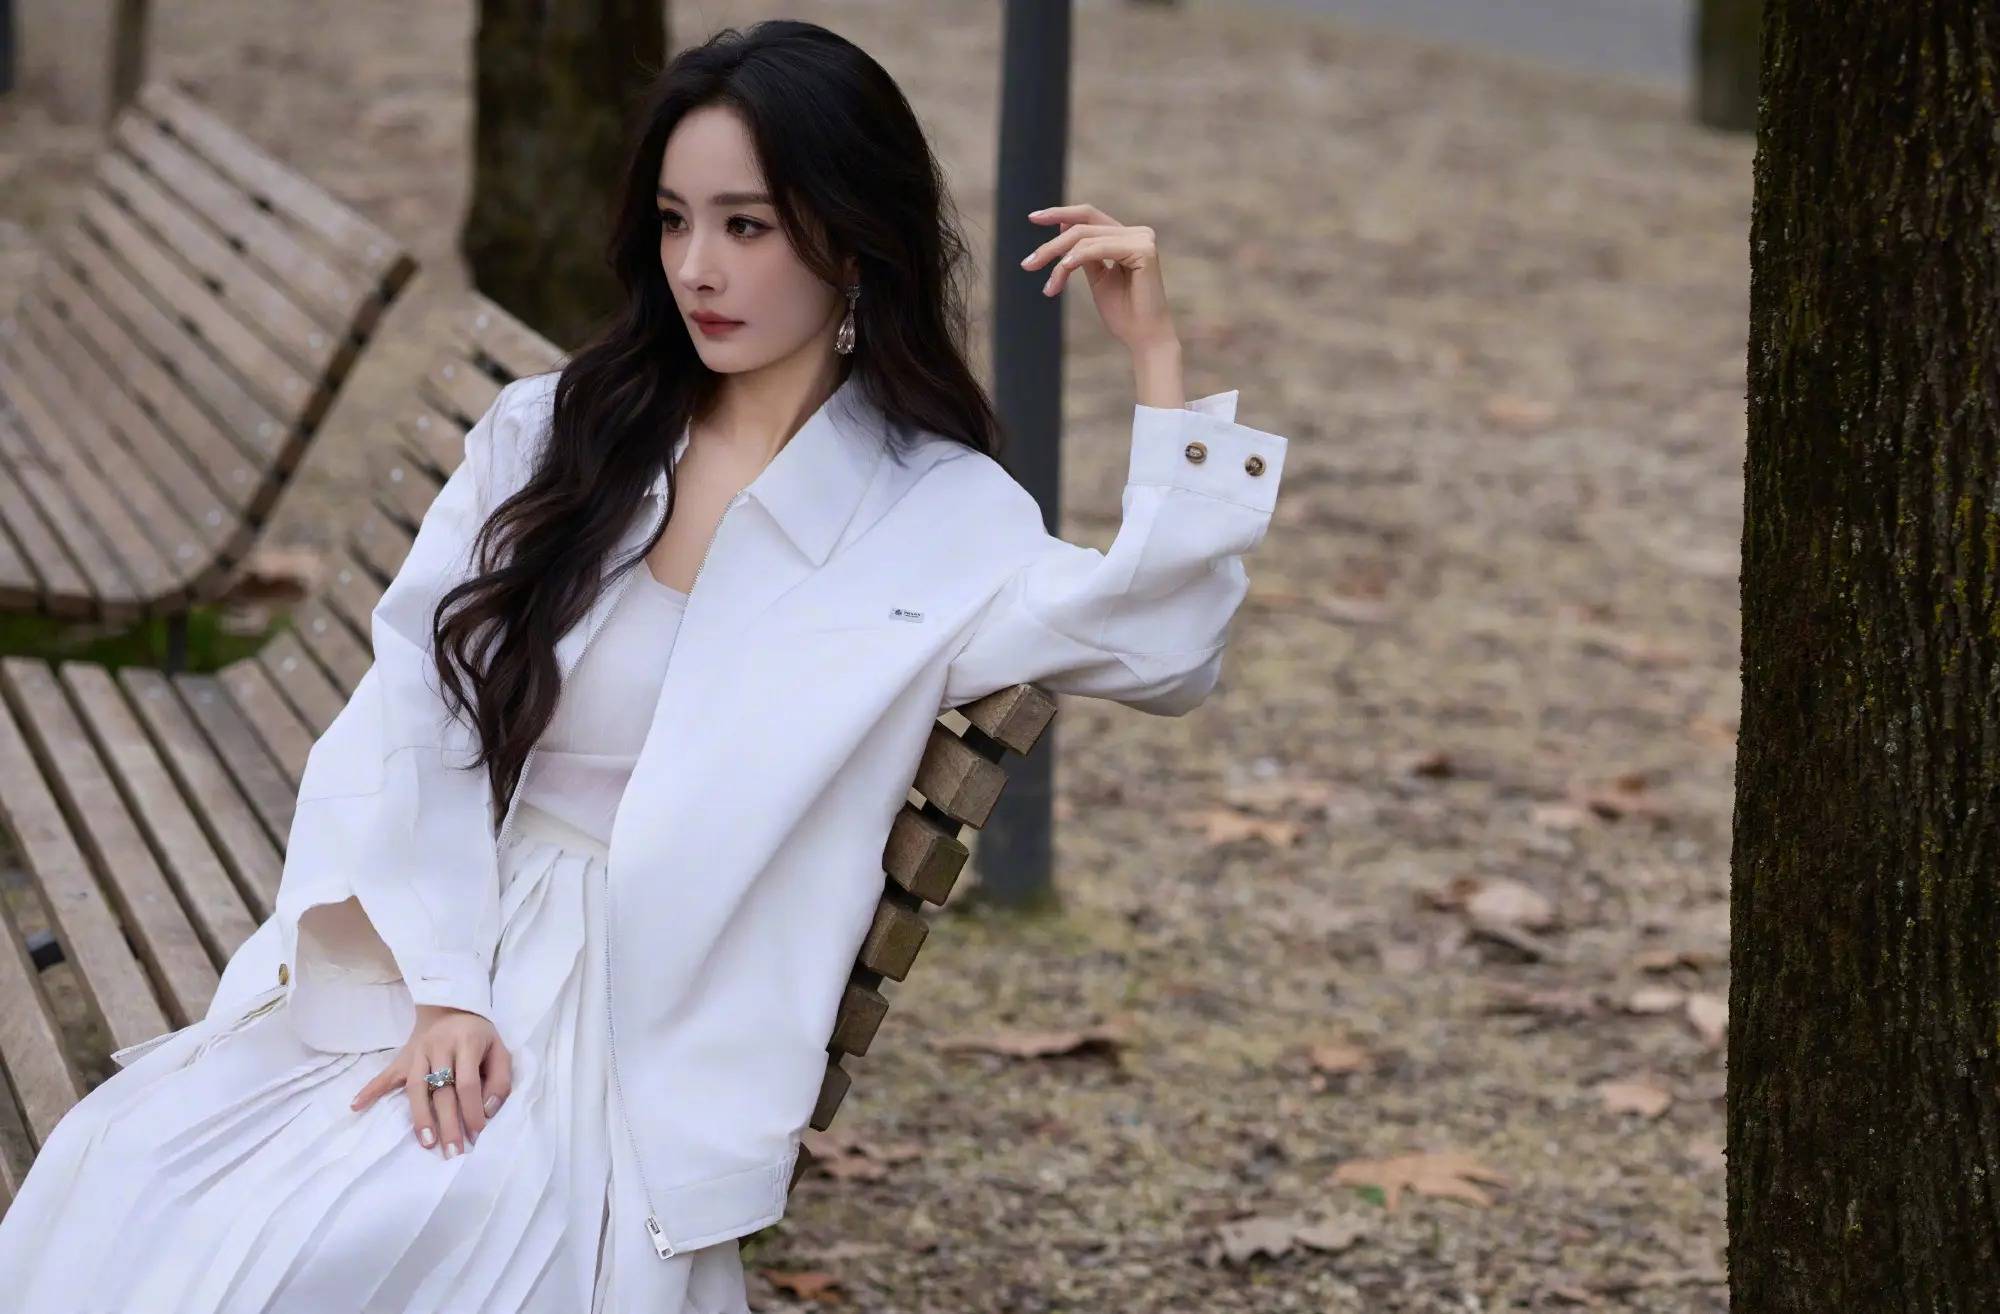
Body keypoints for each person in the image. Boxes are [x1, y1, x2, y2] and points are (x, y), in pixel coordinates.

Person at [0, 17, 1288, 1313]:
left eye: (747, 225)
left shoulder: (931, 517)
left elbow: (1162, 645)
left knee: (396, 1223)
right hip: (448, 924)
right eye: (675, 221)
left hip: (646, 1010)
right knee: (144, 1178)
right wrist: (445, 989)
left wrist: (1158, 363)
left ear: (853, 239)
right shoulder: (560, 432)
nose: (696, 268)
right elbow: (416, 706)